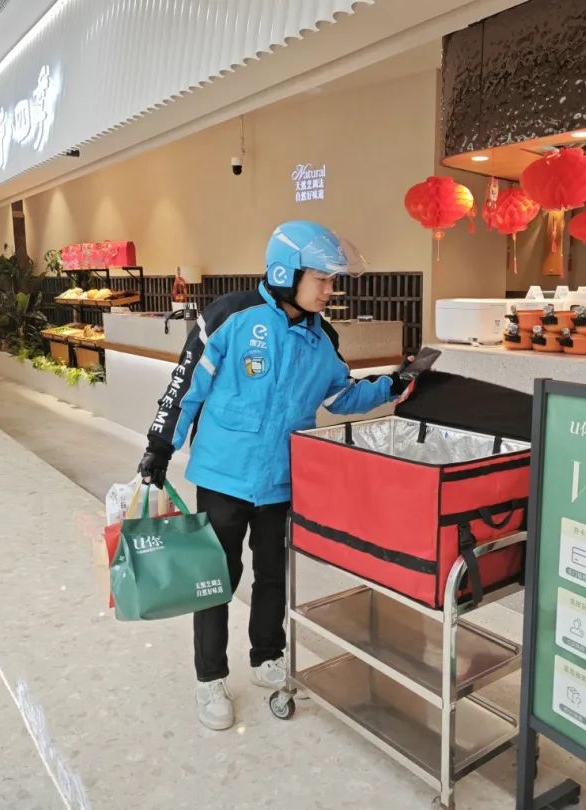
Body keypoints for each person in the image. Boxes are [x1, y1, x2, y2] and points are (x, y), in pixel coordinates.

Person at [137, 220, 428, 730]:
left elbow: (340, 395)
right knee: (216, 580)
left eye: (333, 280)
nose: (330, 290)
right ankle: (210, 678)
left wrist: (390, 385)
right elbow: (187, 386)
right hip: (224, 477)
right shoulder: (231, 316)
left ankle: (267, 655)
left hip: (280, 480)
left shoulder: (321, 339)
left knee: (272, 574)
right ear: (285, 272)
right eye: (322, 279)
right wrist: (160, 447)